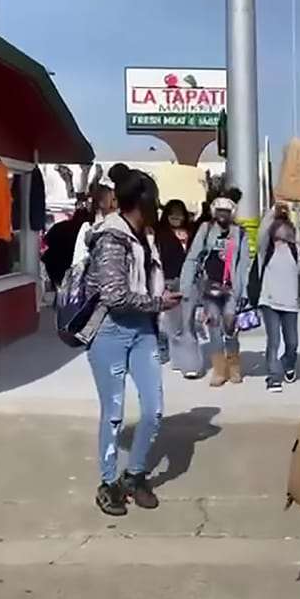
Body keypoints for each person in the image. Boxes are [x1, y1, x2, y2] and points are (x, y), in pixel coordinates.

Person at [82, 170, 181, 516]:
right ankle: (108, 482)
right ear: (142, 201)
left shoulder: (146, 237)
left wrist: (160, 297)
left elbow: (143, 286)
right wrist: (159, 303)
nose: (158, 206)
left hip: (143, 332)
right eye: (154, 200)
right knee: (114, 414)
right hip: (109, 332)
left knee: (153, 409)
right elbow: (115, 295)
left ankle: (134, 475)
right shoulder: (111, 237)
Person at [182, 194, 250, 386]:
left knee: (230, 326)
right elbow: (194, 256)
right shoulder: (206, 229)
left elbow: (244, 263)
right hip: (209, 287)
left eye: (226, 212)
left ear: (232, 213)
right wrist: (187, 285)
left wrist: (242, 292)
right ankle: (219, 371)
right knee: (213, 327)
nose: (222, 216)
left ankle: (234, 367)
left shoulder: (240, 233)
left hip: (230, 289)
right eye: (219, 211)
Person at [254, 204, 300, 393]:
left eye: (286, 228)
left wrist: (292, 215)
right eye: (278, 227)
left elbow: (298, 238)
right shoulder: (265, 249)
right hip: (269, 301)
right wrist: (273, 211)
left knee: (292, 342)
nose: (282, 231)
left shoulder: (294, 251)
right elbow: (262, 232)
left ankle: (288, 363)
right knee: (273, 340)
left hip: (290, 303)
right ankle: (274, 377)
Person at [155, 200, 198, 374]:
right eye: (172, 213)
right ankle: (178, 360)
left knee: (188, 324)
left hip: (190, 282)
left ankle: (191, 364)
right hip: (170, 282)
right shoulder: (160, 234)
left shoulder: (193, 232)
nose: (176, 217)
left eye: (179, 213)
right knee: (174, 327)